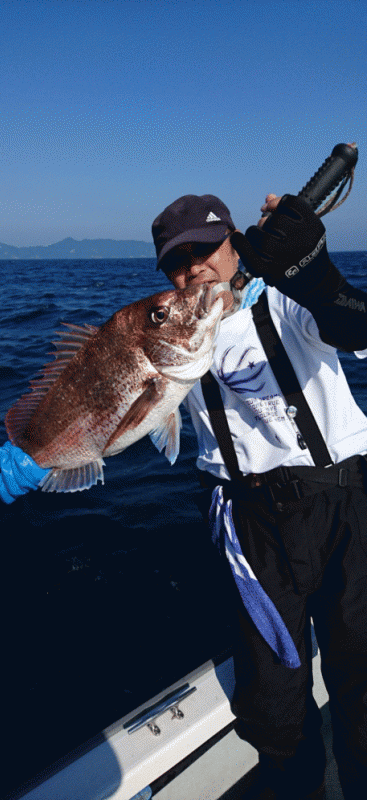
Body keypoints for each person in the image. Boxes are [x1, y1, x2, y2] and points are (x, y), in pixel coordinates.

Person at [151, 192, 367, 800]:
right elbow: (119, 417)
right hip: (247, 529)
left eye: (206, 249)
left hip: (346, 504)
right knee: (275, 711)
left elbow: (355, 324)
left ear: (235, 244)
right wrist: (41, 458)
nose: (194, 267)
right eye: (177, 260)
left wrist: (314, 271)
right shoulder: (166, 330)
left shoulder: (286, 297)